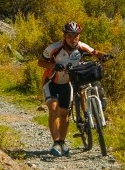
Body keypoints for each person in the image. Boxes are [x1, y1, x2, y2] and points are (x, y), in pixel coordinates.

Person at [38, 21, 106, 156]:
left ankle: (62, 142)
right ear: (65, 36)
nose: (73, 39)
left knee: (64, 114)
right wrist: (53, 66)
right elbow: (40, 62)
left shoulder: (81, 46)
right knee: (54, 109)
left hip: (67, 84)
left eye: (76, 36)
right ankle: (56, 143)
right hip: (51, 82)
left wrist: (103, 54)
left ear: (79, 36)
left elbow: (95, 52)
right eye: (69, 36)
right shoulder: (55, 48)